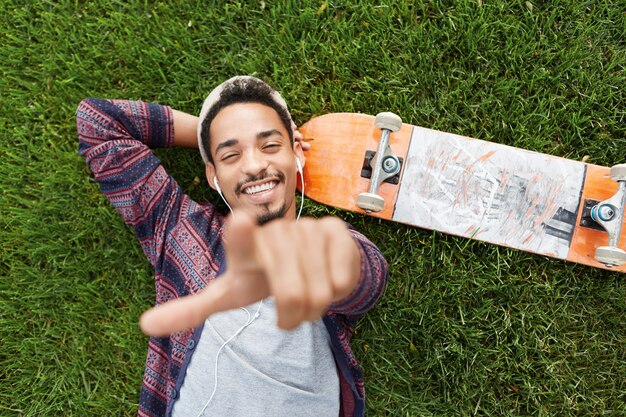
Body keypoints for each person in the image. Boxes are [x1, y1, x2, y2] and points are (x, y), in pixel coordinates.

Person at [76, 76, 388, 417]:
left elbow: (368, 279)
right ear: (212, 175)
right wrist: (206, 135)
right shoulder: (181, 229)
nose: (254, 166)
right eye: (231, 155)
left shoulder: (324, 241)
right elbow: (98, 122)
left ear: (296, 154)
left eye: (270, 146)